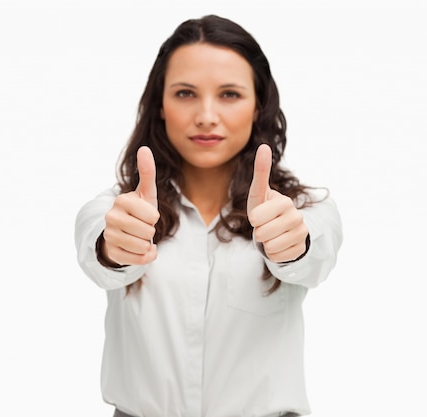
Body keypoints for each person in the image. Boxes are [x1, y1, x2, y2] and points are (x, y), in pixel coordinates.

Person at [74, 14, 342, 417]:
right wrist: (115, 246)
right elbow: (99, 253)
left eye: (230, 94)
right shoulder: (115, 210)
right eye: (185, 93)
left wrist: (293, 244)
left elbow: (314, 255)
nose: (206, 115)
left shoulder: (305, 209)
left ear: (258, 106)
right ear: (159, 105)